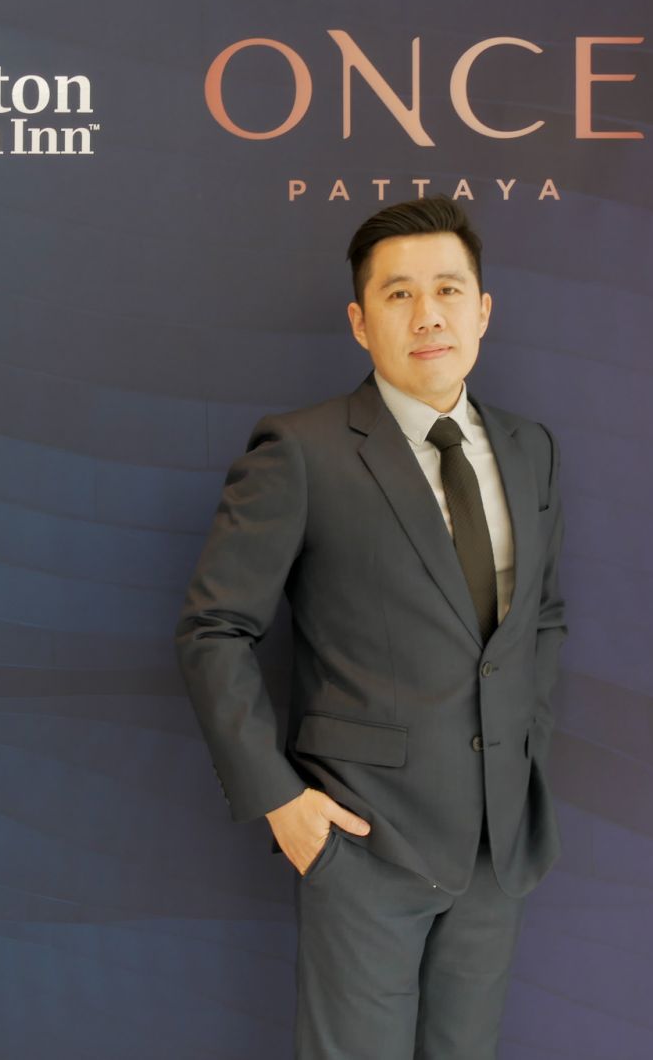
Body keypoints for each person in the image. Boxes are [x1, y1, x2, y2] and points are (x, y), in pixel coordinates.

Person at [175, 195, 567, 1059]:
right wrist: (281, 802)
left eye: (448, 290)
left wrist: (523, 746)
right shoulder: (302, 451)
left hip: (498, 844)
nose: (428, 315)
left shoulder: (530, 449)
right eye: (398, 294)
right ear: (360, 322)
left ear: (483, 310)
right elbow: (214, 629)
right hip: (363, 841)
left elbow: (541, 617)